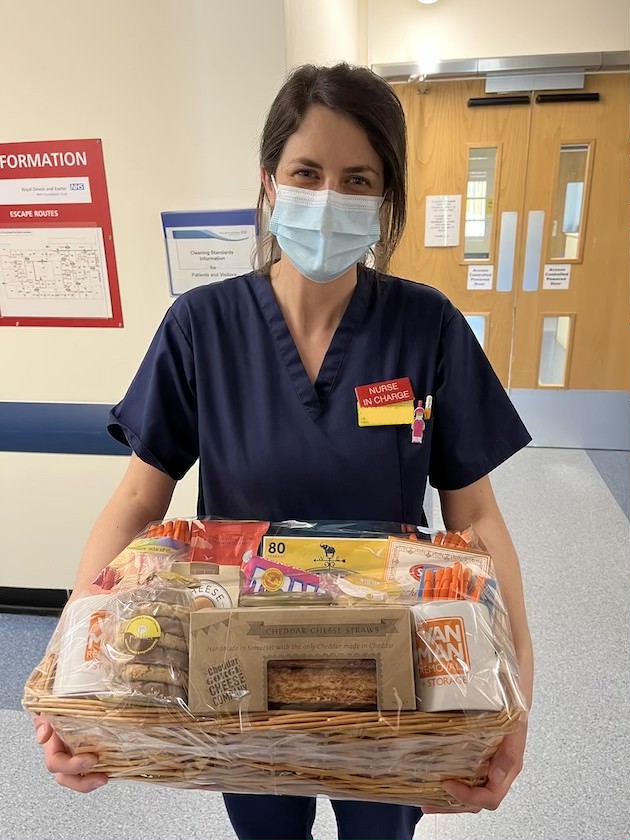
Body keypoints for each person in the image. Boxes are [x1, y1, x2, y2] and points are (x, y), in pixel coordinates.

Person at [35, 63, 534, 840]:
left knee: (381, 833)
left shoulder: (426, 328)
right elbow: (138, 498)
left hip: (390, 667)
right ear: (269, 182)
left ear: (385, 198)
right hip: (236, 660)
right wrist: (73, 666)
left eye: (358, 178)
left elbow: (478, 516)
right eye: (307, 172)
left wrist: (517, 698)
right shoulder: (202, 326)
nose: (329, 197)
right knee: (267, 830)